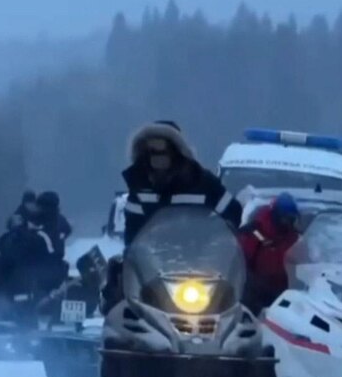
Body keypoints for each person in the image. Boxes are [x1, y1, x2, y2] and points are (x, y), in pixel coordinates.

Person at [101, 120, 244, 313]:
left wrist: (216, 237)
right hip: (153, 264)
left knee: (237, 295)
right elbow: (133, 231)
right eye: (150, 150)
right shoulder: (140, 184)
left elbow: (233, 213)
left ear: (176, 150)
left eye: (161, 149)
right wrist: (134, 257)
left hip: (202, 262)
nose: (155, 157)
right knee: (120, 293)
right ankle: (123, 332)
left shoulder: (202, 181)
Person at [237, 192, 301, 314]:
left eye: (291, 218)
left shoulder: (295, 237)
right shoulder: (254, 231)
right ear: (276, 215)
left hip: (288, 296)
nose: (288, 222)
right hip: (255, 295)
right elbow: (240, 264)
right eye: (285, 217)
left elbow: (304, 265)